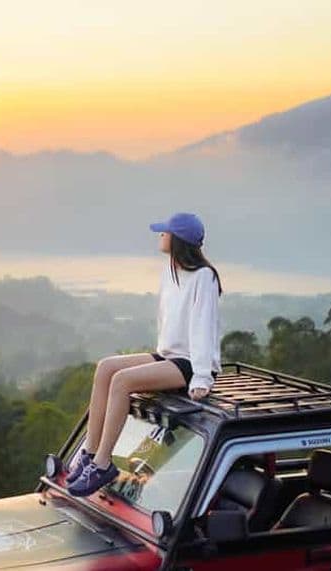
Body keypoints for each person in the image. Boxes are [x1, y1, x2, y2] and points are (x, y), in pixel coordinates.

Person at [65, 211, 222, 497]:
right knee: (105, 368)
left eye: (165, 232)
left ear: (178, 239)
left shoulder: (204, 277)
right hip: (169, 356)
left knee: (122, 381)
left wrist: (201, 378)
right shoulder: (171, 272)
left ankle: (102, 464)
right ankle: (88, 453)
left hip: (190, 364)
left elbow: (203, 328)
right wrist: (160, 355)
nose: (160, 235)